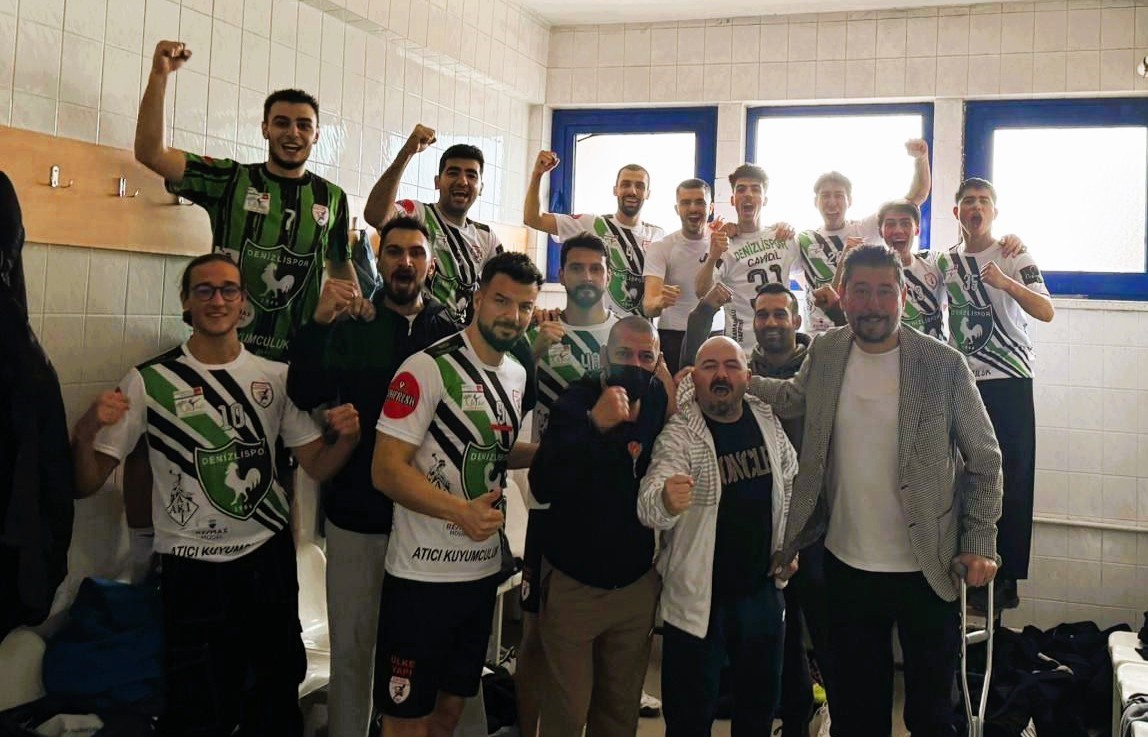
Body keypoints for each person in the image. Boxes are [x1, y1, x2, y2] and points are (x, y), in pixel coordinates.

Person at [70, 253, 360, 737]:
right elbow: (86, 483)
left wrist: (347, 440)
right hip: (191, 570)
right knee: (198, 711)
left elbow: (317, 464)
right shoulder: (150, 381)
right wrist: (84, 432)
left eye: (228, 289)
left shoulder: (276, 377)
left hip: (266, 563)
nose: (217, 300)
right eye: (203, 290)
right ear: (185, 302)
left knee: (274, 704)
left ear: (244, 303)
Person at [746, 244, 1003, 737]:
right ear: (842, 296)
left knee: (930, 714)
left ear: (903, 297)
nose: (872, 304)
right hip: (847, 566)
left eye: (885, 291)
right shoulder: (827, 350)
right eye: (860, 291)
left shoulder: (943, 364)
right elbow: (794, 398)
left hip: (928, 568)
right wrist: (740, 380)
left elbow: (985, 458)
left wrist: (979, 541)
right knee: (858, 712)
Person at [286, 216, 460, 737]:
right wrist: (320, 325)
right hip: (357, 516)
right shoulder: (352, 325)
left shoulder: (451, 331)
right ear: (379, 260)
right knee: (353, 654)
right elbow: (304, 391)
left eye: (416, 253)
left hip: (429, 521)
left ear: (431, 265)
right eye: (395, 252)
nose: (405, 262)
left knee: (421, 656)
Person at [370, 252, 542, 737]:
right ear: (478, 298)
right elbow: (386, 470)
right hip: (421, 576)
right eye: (502, 301)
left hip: (479, 575)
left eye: (525, 306)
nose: (513, 316)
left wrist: (551, 454)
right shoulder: (427, 368)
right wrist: (459, 512)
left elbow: (490, 451)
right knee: (406, 720)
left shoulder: (516, 373)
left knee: (449, 711)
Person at [134, 40, 360, 362]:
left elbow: (339, 262)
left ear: (317, 134)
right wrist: (160, 76)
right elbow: (151, 153)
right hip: (228, 352)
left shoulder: (332, 197)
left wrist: (355, 307)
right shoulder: (231, 180)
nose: (293, 133)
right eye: (281, 123)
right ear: (265, 129)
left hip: (298, 357)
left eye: (303, 125)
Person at [682, 283, 835, 737]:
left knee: (830, 633)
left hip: (819, 526)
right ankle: (796, 720)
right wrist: (702, 312)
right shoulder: (739, 369)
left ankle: (837, 716)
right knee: (782, 643)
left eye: (779, 314)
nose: (771, 322)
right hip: (767, 531)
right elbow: (694, 370)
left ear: (796, 320)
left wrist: (837, 309)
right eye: (763, 314)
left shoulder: (819, 366)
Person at [637, 336, 798, 737]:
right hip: (697, 604)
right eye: (710, 366)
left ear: (747, 377)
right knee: (688, 721)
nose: (721, 375)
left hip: (762, 595)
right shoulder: (680, 434)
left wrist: (788, 545)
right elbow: (648, 504)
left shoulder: (766, 420)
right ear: (694, 376)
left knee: (758, 715)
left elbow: (791, 482)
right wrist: (665, 500)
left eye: (731, 366)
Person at [530, 316, 676, 737]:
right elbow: (542, 483)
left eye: (645, 356)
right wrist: (593, 425)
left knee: (619, 714)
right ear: (603, 357)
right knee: (566, 713)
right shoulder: (576, 399)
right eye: (624, 354)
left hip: (635, 585)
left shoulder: (657, 401)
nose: (635, 364)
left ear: (657, 362)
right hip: (575, 584)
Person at [934, 178, 1055, 611]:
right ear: (957, 212)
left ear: (994, 211)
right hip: (964, 380)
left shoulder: (1013, 253)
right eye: (968, 200)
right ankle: (963, 563)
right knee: (963, 474)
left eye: (984, 201)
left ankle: (1006, 579)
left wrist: (1007, 284)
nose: (976, 206)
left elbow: (1045, 310)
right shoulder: (944, 261)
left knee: (1013, 474)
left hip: (1010, 377)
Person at [517, 233, 618, 737]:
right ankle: (524, 728)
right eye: (576, 268)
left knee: (605, 642)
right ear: (562, 274)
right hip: (550, 500)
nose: (586, 277)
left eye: (595, 269)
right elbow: (508, 403)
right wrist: (531, 352)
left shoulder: (624, 335)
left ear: (608, 276)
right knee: (535, 632)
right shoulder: (540, 334)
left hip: (608, 505)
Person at [363, 124, 504, 326]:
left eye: (471, 175)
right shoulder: (416, 213)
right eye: (453, 173)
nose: (462, 181)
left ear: (481, 187)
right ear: (437, 182)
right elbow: (375, 216)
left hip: (456, 337)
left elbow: (504, 286)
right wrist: (407, 152)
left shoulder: (486, 237)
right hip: (407, 330)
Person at [797, 140, 932, 335]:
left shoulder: (862, 229)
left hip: (856, 332)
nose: (832, 202)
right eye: (825, 195)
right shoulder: (803, 239)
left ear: (849, 201)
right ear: (815, 201)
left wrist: (921, 158)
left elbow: (916, 197)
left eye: (839, 195)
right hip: (815, 336)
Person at [525, 151, 665, 317]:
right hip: (597, 327)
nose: (632, 191)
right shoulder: (592, 224)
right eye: (625, 184)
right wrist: (537, 174)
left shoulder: (657, 235)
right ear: (615, 190)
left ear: (648, 193)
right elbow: (534, 219)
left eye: (640, 186)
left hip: (639, 330)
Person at [695, 164, 802, 354]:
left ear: (765, 200)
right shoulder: (724, 244)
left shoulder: (783, 237)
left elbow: (808, 276)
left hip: (782, 345)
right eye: (741, 189)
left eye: (756, 189)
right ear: (732, 200)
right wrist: (712, 257)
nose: (748, 195)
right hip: (741, 350)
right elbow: (701, 292)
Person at [643, 178, 722, 375]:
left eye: (700, 202)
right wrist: (660, 301)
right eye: (686, 202)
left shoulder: (723, 241)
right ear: (677, 208)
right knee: (675, 394)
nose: (693, 208)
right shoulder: (661, 248)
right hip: (674, 337)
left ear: (711, 207)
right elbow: (648, 306)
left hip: (715, 333)